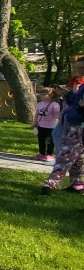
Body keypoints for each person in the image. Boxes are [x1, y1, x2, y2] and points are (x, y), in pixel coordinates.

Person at [41, 57, 84, 194]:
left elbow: (80, 102)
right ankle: (78, 184)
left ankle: (51, 184)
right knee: (79, 156)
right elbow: (76, 101)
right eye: (77, 67)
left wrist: (70, 94)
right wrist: (68, 95)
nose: (78, 70)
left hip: (78, 124)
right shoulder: (80, 84)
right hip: (72, 120)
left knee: (65, 154)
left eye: (81, 68)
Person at [33, 88, 61, 161]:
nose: (42, 96)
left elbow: (57, 116)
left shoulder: (54, 105)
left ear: (51, 95)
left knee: (49, 141)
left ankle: (49, 154)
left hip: (50, 127)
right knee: (41, 140)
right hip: (40, 126)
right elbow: (36, 114)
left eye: (44, 94)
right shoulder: (39, 104)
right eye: (41, 94)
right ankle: (41, 153)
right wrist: (34, 122)